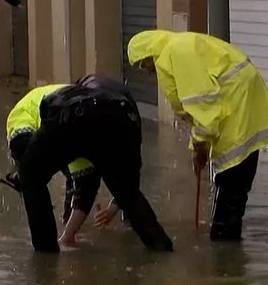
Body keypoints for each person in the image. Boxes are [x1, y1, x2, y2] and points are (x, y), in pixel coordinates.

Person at [97, 30, 268, 241]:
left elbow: (205, 108)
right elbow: (201, 111)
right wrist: (198, 145)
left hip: (238, 109)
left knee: (230, 183)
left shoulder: (176, 53)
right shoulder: (179, 48)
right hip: (241, 106)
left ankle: (225, 247)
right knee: (233, 182)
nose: (147, 71)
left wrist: (200, 146)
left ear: (149, 53)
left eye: (143, 64)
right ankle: (228, 244)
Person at [14, 77, 174, 253]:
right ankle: (161, 249)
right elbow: (87, 184)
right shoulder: (90, 94)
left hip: (75, 113)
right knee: (128, 194)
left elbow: (23, 150)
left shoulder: (20, 114)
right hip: (121, 117)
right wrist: (68, 234)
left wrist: (24, 179)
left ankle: (46, 256)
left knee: (31, 175)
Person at [5, 84, 100, 249]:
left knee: (76, 179)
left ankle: (55, 241)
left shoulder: (84, 137)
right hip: (41, 112)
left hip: (68, 111)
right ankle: (50, 247)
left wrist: (67, 236)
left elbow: (86, 188)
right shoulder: (26, 121)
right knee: (33, 174)